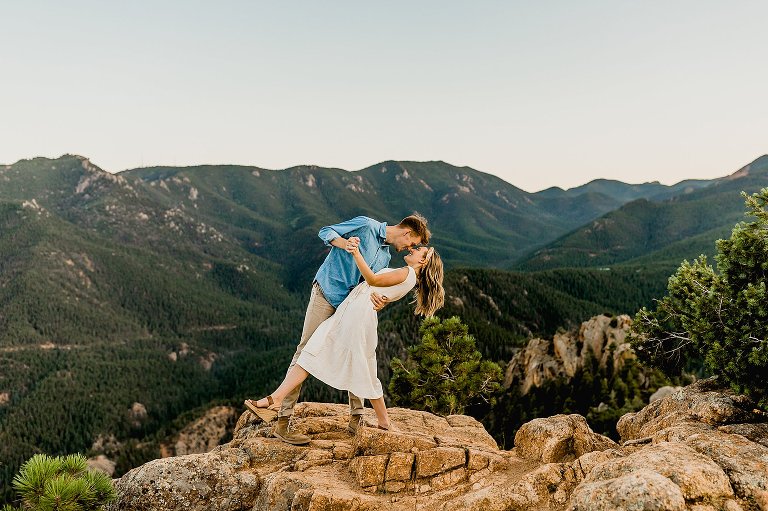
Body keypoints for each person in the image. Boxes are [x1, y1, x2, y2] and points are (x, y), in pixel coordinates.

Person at [259, 214, 430, 445]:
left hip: (348, 305)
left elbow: (370, 284)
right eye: (412, 243)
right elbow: (325, 231)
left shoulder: (386, 256)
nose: (409, 248)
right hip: (327, 293)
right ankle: (282, 421)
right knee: (306, 349)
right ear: (407, 232)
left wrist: (382, 301)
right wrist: (344, 243)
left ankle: (356, 418)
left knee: (354, 352)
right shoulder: (366, 225)